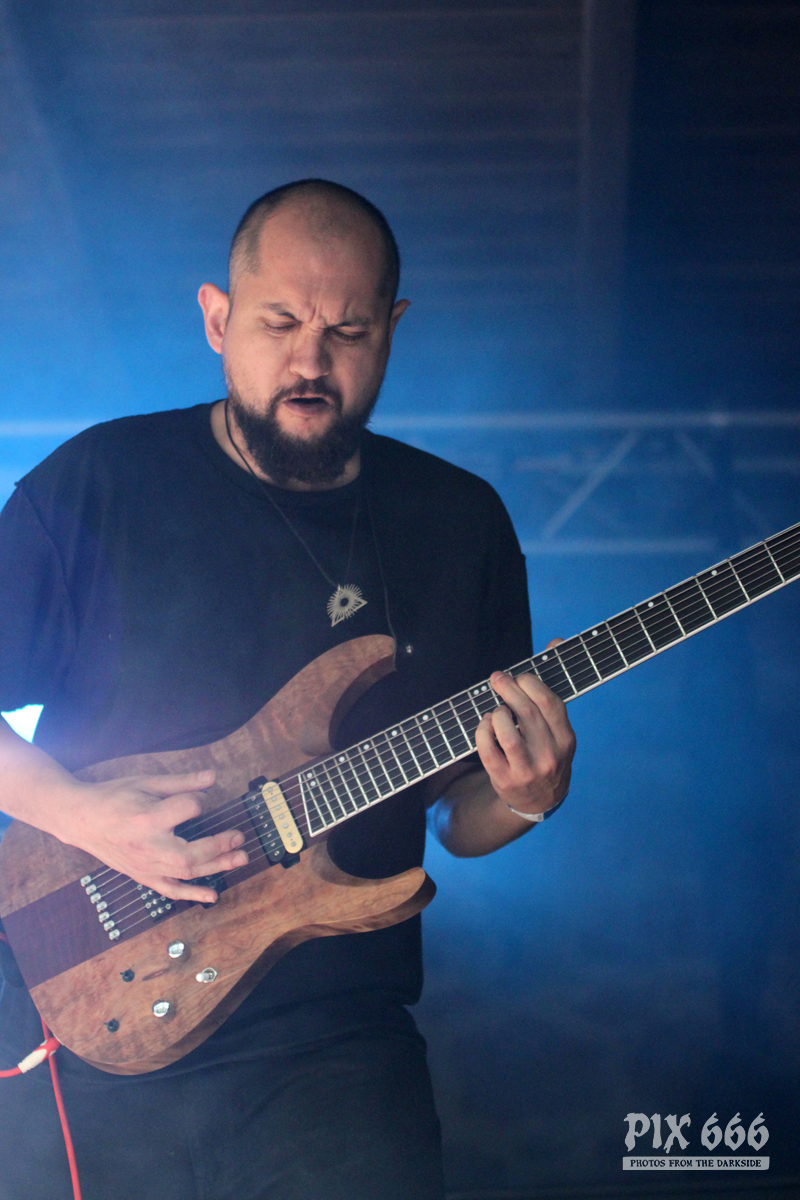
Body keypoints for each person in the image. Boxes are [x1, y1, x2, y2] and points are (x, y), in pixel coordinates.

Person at [0, 179, 575, 1200]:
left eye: (348, 331)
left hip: (336, 1044)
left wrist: (527, 796)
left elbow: (457, 818)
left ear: (392, 328)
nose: (311, 362)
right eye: (279, 324)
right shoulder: (102, 481)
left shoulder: (458, 524)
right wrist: (85, 815)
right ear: (217, 320)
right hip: (98, 1018)